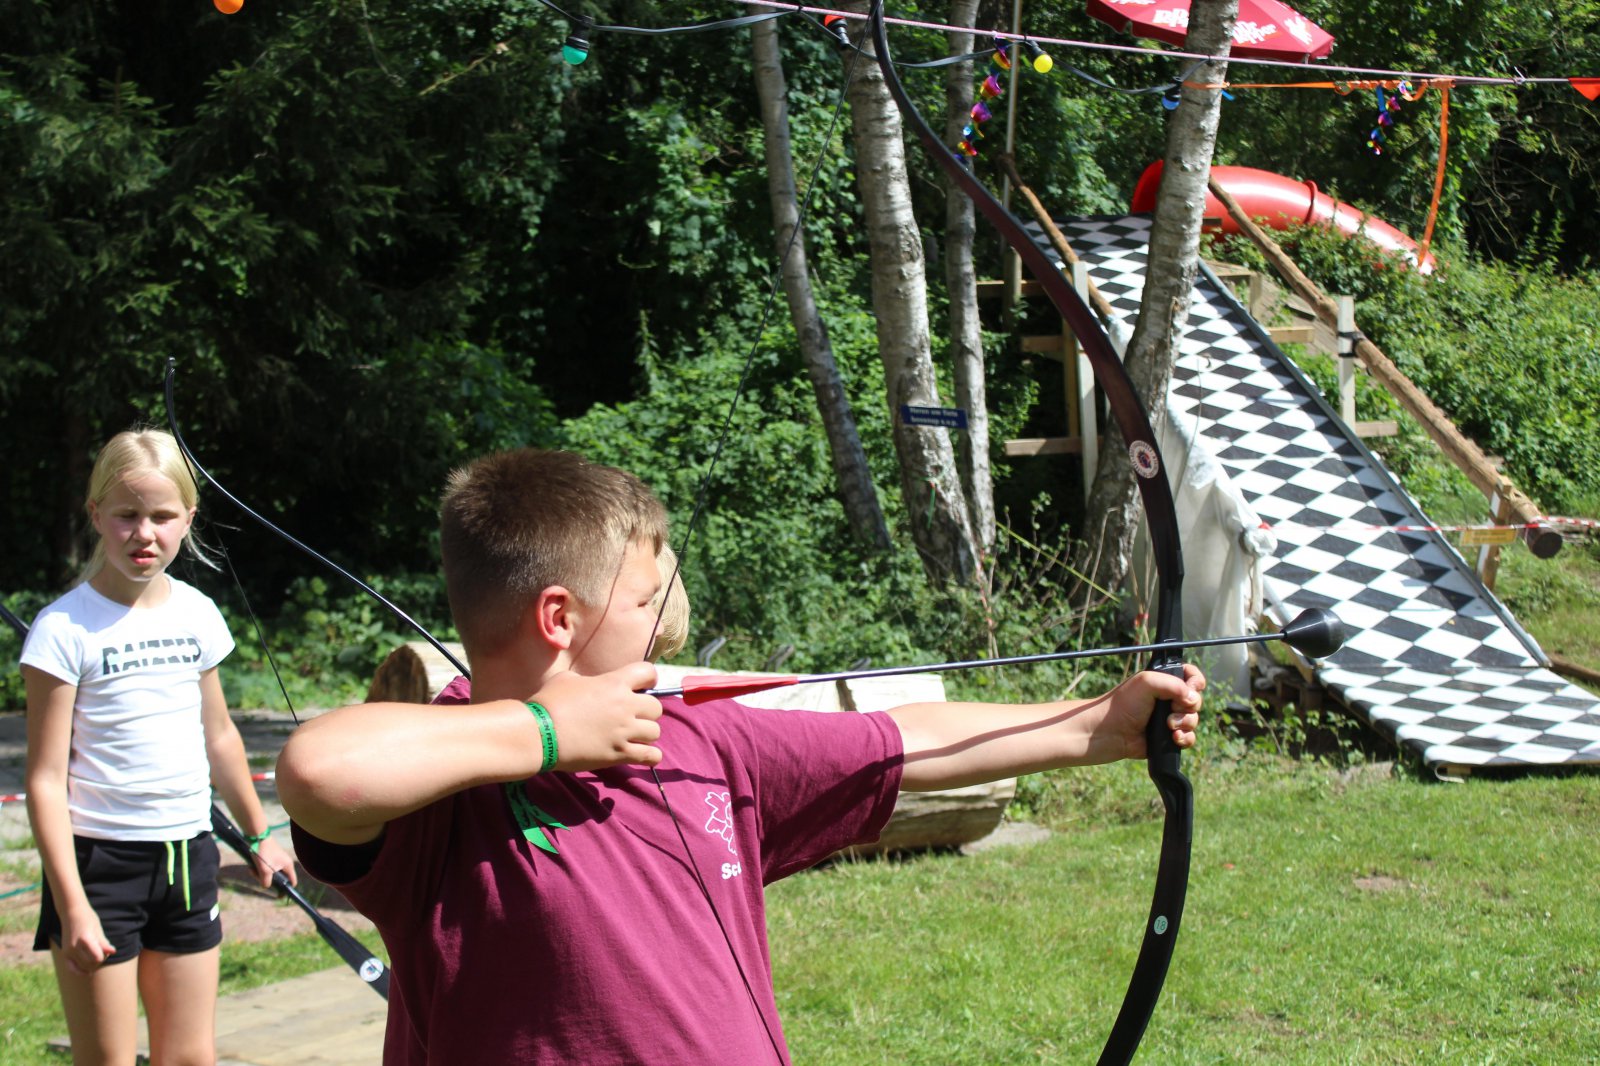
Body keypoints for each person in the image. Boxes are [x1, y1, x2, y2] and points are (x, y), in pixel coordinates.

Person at [277, 447, 1204, 1065]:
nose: (665, 627)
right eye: (644, 604)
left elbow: (900, 740)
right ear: (559, 618)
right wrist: (550, 734)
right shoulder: (446, 791)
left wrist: (1097, 725)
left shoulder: (694, 737)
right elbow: (322, 770)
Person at [20, 428, 297, 1065]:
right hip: (98, 868)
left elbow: (219, 734)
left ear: (188, 519)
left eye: (162, 516)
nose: (145, 534)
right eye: (126, 515)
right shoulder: (63, 629)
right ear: (96, 516)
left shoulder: (198, 613)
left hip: (186, 857)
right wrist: (72, 906)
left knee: (190, 1057)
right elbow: (43, 778)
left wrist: (258, 835)